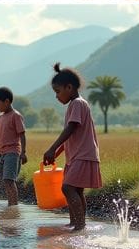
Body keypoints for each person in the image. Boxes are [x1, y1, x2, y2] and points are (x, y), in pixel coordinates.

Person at [41, 63, 101, 230]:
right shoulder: (76, 104)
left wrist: (52, 148)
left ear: (69, 87)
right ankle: (76, 223)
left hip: (82, 155)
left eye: (58, 92)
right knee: (77, 190)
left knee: (67, 187)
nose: (57, 96)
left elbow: (71, 128)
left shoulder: (77, 104)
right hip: (77, 156)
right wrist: (57, 152)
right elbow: (70, 136)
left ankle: (79, 226)